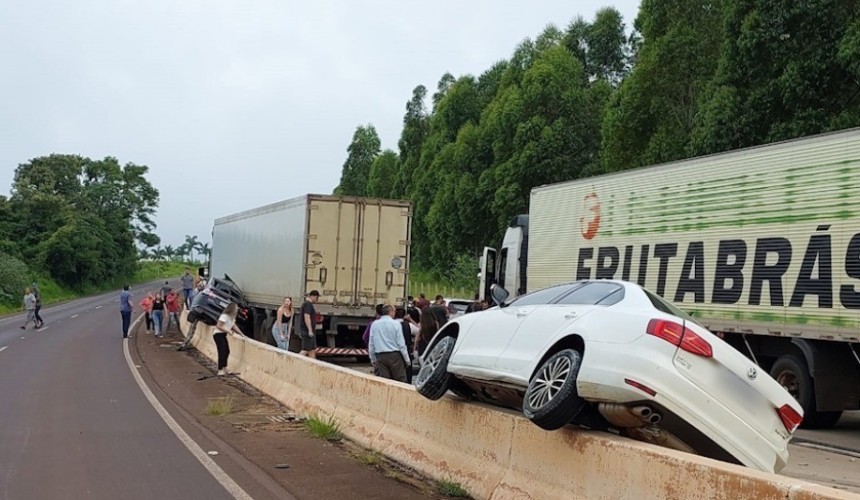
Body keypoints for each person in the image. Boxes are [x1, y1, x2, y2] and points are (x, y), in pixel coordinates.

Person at [368, 305, 410, 382]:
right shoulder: (396, 324)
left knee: (383, 382)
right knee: (400, 381)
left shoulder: (374, 324)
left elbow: (371, 343)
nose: (395, 313)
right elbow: (401, 344)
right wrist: (407, 359)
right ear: (390, 311)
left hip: (380, 356)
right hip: (395, 356)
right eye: (394, 311)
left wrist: (373, 358)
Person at [214, 302, 244, 376]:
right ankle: (220, 369)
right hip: (218, 334)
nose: (237, 309)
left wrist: (242, 334)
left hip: (223, 334)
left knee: (227, 351)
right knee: (222, 351)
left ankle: (224, 368)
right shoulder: (224, 316)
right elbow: (219, 326)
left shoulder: (232, 317)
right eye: (236, 308)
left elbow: (234, 326)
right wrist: (229, 331)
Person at [395, 306, 417, 383]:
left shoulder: (392, 325)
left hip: (394, 352)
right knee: (407, 374)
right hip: (407, 351)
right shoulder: (408, 325)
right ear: (405, 315)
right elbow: (419, 330)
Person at [299, 290, 320, 358]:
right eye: (317, 298)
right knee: (305, 350)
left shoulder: (308, 304)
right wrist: (310, 330)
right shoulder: (308, 304)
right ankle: (293, 361)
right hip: (307, 331)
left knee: (312, 350)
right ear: (313, 296)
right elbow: (307, 317)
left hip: (310, 331)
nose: (317, 300)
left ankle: (313, 365)